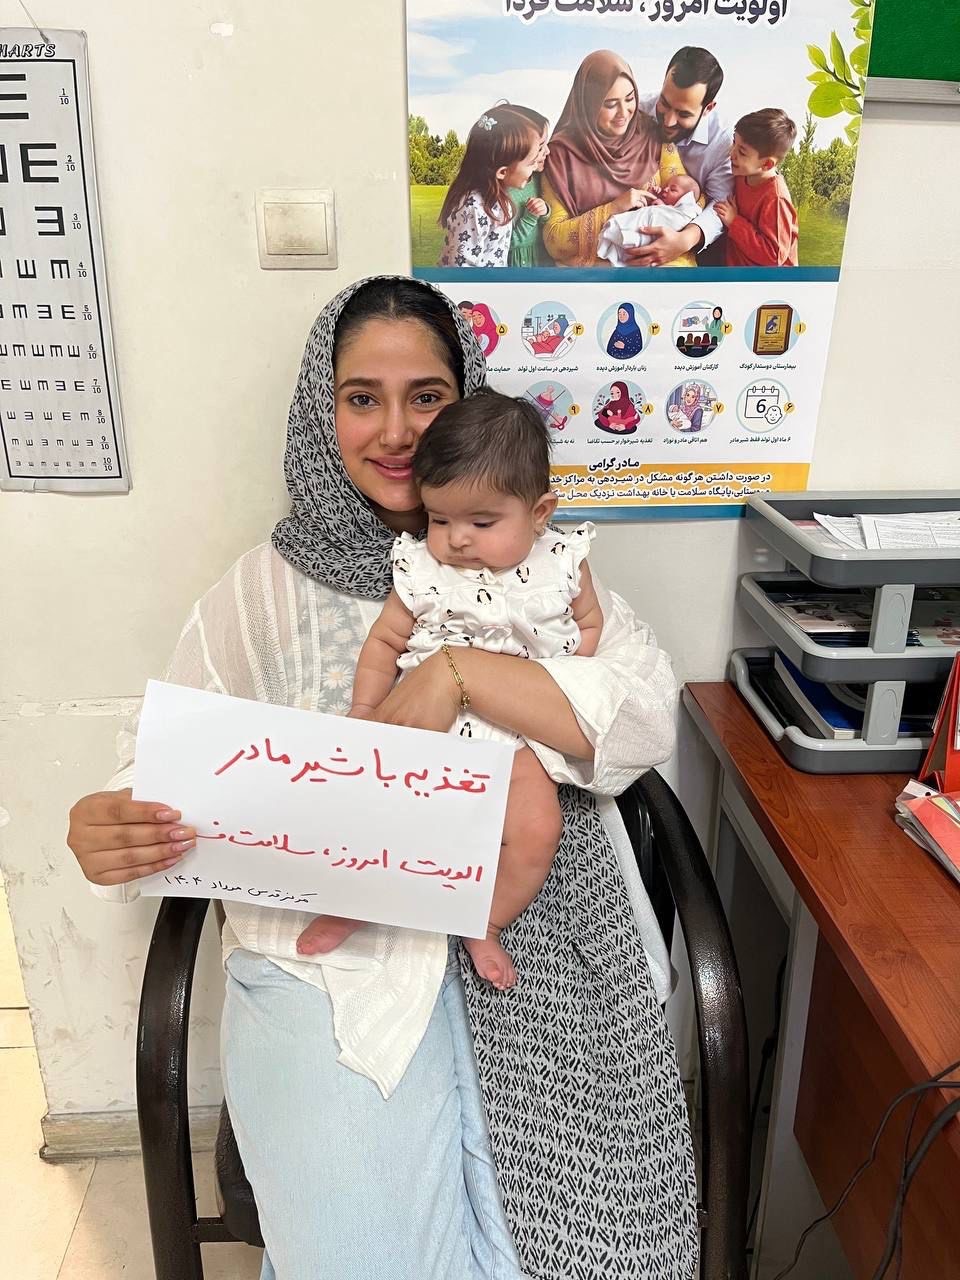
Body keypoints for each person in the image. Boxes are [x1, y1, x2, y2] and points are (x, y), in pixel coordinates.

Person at [65, 276, 698, 1278]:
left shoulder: (529, 555)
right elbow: (165, 766)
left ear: (468, 403)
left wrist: (462, 673)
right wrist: (111, 825)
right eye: (363, 397)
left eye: (428, 396)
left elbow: (644, 715)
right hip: (327, 961)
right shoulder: (265, 590)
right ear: (323, 414)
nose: (397, 431)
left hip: (526, 922)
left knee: (590, 1243)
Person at [338, 390, 602, 991]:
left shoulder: (564, 562)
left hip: (519, 739)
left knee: (537, 833)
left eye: (482, 523)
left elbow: (590, 626)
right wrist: (365, 708)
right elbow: (384, 643)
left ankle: (485, 919)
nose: (457, 539)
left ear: (539, 513)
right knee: (378, 826)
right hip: (428, 731)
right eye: (438, 520)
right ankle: (350, 903)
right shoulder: (422, 570)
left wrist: (564, 679)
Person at [541, 50, 660, 268]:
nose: (623, 112)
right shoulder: (561, 154)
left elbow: (689, 196)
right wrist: (613, 208)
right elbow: (554, 240)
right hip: (596, 274)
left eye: (630, 99)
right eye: (610, 104)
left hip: (659, 261)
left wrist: (678, 240)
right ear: (589, 104)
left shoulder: (650, 134)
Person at [629, 45, 734, 266]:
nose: (668, 121)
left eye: (684, 114)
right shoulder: (636, 111)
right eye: (664, 104)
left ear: (708, 108)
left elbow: (721, 202)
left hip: (694, 242)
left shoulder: (722, 141)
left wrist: (685, 240)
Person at [439, 105, 545, 267]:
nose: (535, 167)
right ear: (503, 172)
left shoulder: (500, 199)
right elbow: (462, 268)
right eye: (531, 163)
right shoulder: (473, 207)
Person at [716, 108, 799, 267]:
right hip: (737, 267)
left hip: (766, 279)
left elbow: (774, 257)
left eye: (742, 152)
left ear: (767, 164)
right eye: (734, 142)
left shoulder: (776, 199)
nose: (731, 154)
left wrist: (734, 222)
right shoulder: (743, 173)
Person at [598, 173, 701, 267]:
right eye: (666, 186)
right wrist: (652, 198)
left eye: (673, 189)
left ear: (686, 198)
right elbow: (649, 212)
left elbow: (668, 217)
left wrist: (660, 205)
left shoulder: (683, 212)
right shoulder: (662, 205)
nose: (665, 189)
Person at [505, 105, 551, 268]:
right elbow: (504, 245)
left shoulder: (540, 179)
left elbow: (545, 219)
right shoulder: (504, 193)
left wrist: (545, 210)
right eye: (540, 147)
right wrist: (530, 218)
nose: (547, 151)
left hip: (540, 255)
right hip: (517, 262)